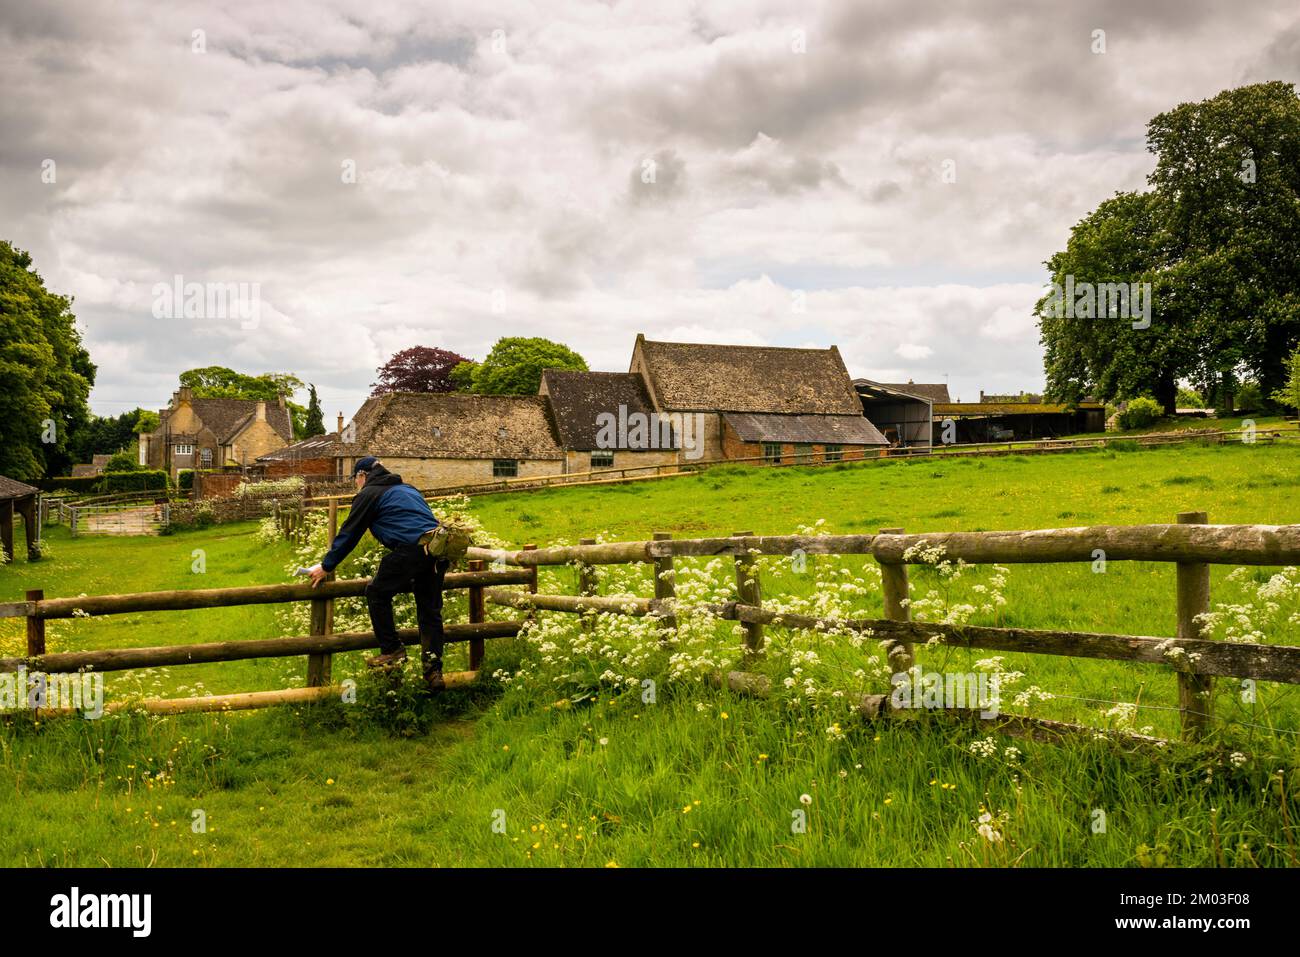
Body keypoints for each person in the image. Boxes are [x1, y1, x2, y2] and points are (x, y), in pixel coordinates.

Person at [306, 456, 450, 688]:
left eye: (355, 479)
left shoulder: (368, 494)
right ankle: (434, 672)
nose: (356, 484)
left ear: (362, 475)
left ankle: (392, 649)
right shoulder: (408, 489)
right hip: (436, 551)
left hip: (410, 550)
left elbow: (350, 533)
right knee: (430, 611)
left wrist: (326, 566)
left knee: (376, 592)